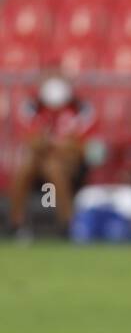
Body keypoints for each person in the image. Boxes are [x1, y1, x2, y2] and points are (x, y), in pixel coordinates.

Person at [7, 76, 94, 240]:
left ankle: (68, 223)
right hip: (41, 161)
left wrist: (55, 145)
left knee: (52, 167)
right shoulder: (33, 108)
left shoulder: (81, 109)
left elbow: (85, 148)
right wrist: (51, 144)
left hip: (70, 165)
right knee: (26, 167)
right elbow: (31, 141)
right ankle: (16, 223)